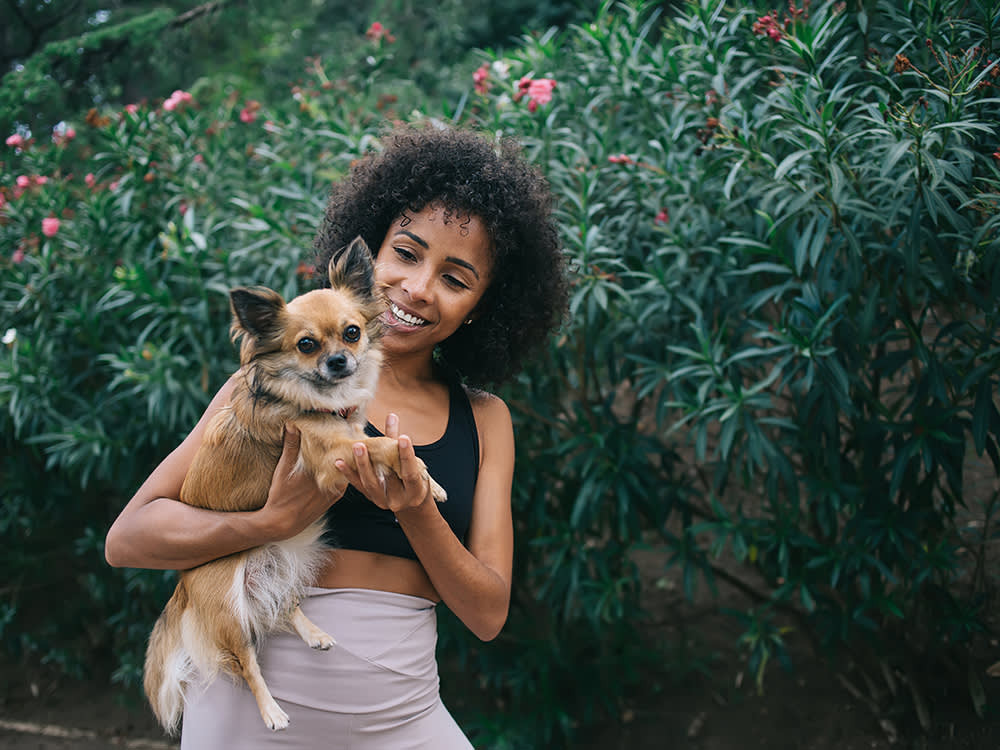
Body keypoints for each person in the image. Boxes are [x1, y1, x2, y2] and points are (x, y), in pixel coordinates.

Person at [104, 123, 568, 748]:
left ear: (483, 306)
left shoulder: (486, 420)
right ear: (367, 253)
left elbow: (487, 614)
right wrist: (266, 524)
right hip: (251, 703)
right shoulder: (269, 388)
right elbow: (128, 539)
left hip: (403, 716)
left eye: (456, 279)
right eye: (405, 252)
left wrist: (416, 511)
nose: (417, 287)